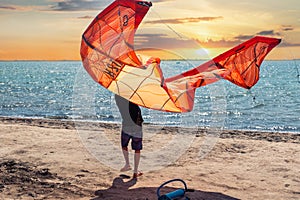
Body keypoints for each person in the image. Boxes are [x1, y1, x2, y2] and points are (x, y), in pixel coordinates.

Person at [114, 94, 144, 178]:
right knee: (137, 148)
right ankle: (135, 171)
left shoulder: (118, 99)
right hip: (137, 126)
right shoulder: (132, 98)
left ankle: (127, 164)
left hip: (126, 125)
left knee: (124, 145)